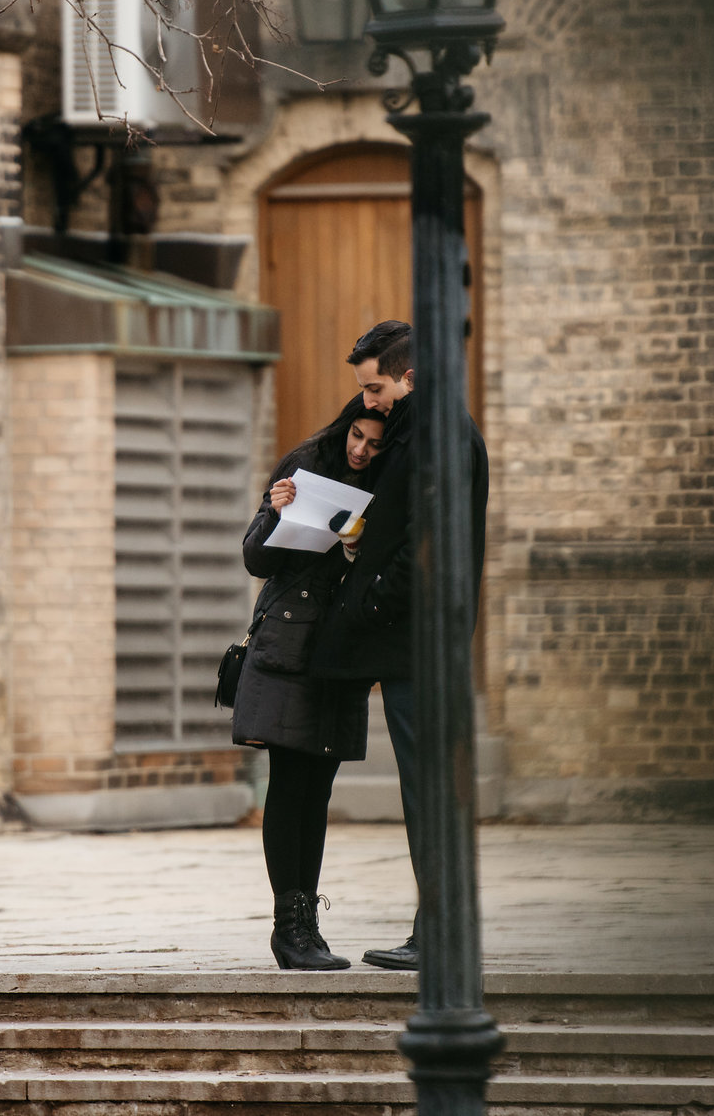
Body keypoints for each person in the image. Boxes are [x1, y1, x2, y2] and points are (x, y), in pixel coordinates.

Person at [309, 319, 488, 970]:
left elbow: (428, 547)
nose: (368, 401)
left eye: (376, 386)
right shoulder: (423, 428)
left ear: (410, 376)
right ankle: (436, 925)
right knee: (427, 789)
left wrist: (374, 594)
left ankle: (440, 931)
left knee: (428, 788)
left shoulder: (437, 433)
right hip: (415, 640)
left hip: (420, 642)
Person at [232, 393, 389, 970]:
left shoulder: (386, 485)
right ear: (344, 426)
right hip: (286, 647)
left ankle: (307, 927)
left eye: (373, 444)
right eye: (356, 435)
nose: (361, 449)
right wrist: (276, 511)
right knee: (290, 784)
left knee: (317, 793)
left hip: (339, 653)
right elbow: (255, 560)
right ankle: (288, 926)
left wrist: (358, 549)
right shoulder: (303, 466)